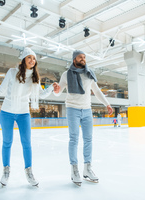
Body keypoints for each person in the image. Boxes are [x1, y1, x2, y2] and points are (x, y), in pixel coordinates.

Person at [0, 47, 59, 187]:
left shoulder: (35, 78)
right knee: (7, 142)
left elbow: (41, 95)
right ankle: (6, 172)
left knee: (27, 143)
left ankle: (29, 172)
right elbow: (0, 89)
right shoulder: (12, 72)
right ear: (24, 59)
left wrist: (51, 88)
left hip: (23, 113)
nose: (32, 60)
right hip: (7, 112)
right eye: (29, 57)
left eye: (34, 58)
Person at [54, 50, 113, 186]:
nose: (83, 59)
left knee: (88, 140)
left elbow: (97, 91)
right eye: (80, 57)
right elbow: (58, 93)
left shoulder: (89, 74)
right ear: (74, 59)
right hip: (72, 109)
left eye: (85, 57)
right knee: (74, 139)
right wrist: (56, 90)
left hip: (87, 110)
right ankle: (74, 170)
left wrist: (107, 104)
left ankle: (87, 168)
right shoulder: (66, 74)